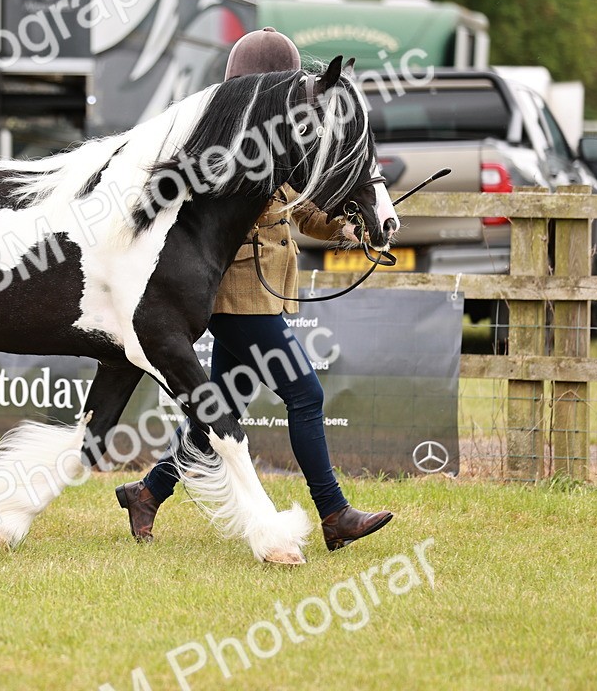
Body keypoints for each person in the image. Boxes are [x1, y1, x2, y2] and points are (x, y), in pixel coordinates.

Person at [115, 28, 393, 555]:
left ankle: (147, 492)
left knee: (218, 409)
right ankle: (333, 513)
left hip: (262, 293)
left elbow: (304, 208)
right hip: (235, 295)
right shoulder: (227, 142)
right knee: (305, 395)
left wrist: (347, 230)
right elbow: (225, 213)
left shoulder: (281, 138)